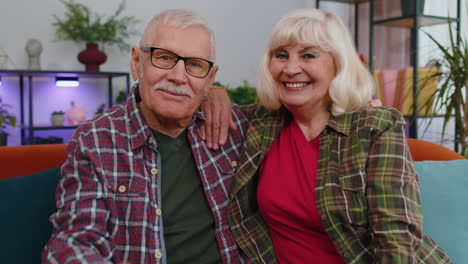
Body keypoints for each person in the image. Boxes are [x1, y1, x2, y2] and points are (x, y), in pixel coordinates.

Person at [225, 8, 452, 264]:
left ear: (339, 64)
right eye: (281, 55)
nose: (290, 68)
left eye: (309, 55)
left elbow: (395, 236)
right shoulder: (259, 124)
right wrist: (214, 95)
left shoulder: (375, 127)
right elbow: (195, 106)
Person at [42, 9, 250, 264]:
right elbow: (74, 244)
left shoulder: (233, 126)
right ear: (137, 62)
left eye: (195, 64)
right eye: (164, 58)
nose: (178, 76)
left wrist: (218, 93)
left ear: (210, 79)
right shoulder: (96, 140)